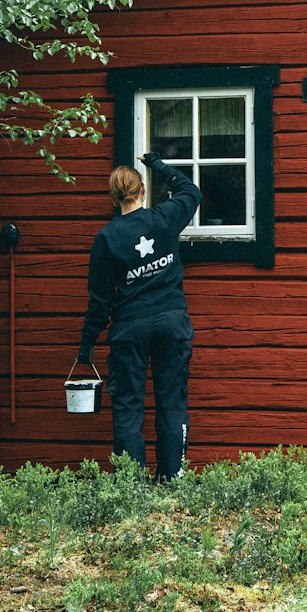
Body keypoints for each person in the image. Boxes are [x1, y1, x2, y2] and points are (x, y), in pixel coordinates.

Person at [77, 152, 201, 482]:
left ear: (113, 196)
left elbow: (99, 300)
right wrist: (158, 165)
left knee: (128, 407)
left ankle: (131, 486)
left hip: (129, 329)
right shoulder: (164, 218)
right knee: (171, 403)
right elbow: (192, 192)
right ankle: (171, 479)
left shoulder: (106, 238)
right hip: (171, 323)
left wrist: (86, 344)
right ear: (142, 190)